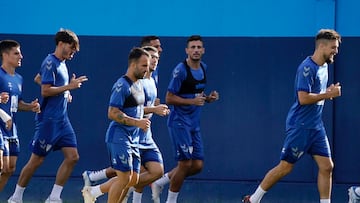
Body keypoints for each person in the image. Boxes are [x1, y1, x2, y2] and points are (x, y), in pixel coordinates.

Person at [242, 29, 341, 203]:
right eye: (333, 47)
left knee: (327, 167)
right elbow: (303, 98)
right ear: (322, 46)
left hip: (316, 127)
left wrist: (327, 92)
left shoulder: (324, 66)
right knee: (285, 167)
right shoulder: (306, 68)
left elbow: (317, 94)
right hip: (300, 126)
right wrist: (327, 94)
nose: (336, 51)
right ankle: (253, 200)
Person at [8, 29, 88, 203]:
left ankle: (54, 197)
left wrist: (64, 93)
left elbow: (39, 78)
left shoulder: (62, 63)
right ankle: (16, 197)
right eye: (71, 48)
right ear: (61, 44)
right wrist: (68, 88)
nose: (73, 53)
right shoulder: (50, 62)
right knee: (36, 161)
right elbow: (45, 90)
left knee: (73, 157)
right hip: (48, 121)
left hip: (63, 121)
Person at [82, 46, 169, 203]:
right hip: (119, 137)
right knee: (123, 179)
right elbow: (112, 113)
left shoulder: (139, 85)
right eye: (144, 65)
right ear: (133, 65)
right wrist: (137, 122)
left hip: (134, 139)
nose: (147, 69)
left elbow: (137, 109)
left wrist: (153, 110)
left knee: (133, 179)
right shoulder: (122, 85)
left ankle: (94, 192)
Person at [151, 35, 219, 203]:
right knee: (185, 164)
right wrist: (192, 101)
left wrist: (208, 98)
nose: (196, 50)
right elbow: (169, 98)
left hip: (194, 124)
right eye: (192, 47)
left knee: (197, 166)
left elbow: (196, 94)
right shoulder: (180, 70)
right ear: (187, 50)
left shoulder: (203, 68)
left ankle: (160, 182)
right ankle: (171, 201)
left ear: (203, 50)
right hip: (179, 122)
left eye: (198, 47)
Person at [0, 40, 40, 192]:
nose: (21, 56)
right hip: (0, 127)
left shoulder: (19, 79)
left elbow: (16, 104)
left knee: (9, 169)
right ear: (5, 55)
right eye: (16, 53)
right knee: (1, 165)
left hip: (11, 129)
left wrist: (30, 107)